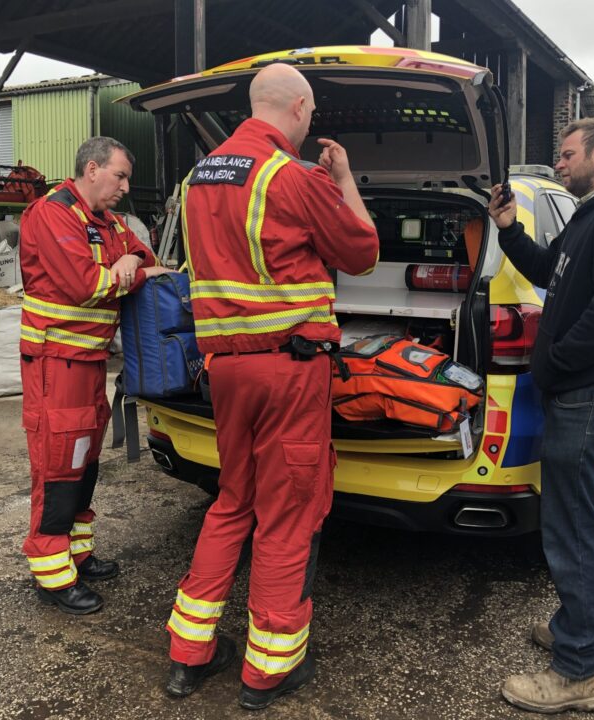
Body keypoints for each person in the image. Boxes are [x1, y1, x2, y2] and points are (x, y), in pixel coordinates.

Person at [164, 62, 379, 709]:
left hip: (226, 370)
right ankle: (268, 671)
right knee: (287, 515)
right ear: (300, 107)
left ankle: (188, 654)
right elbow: (362, 251)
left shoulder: (198, 178)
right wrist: (343, 179)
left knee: (234, 500)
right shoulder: (293, 176)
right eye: (310, 113)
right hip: (288, 372)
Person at [488, 118, 594, 714]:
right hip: (581, 389)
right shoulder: (590, 215)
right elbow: (545, 272)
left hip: (588, 390)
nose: (558, 165)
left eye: (565, 155)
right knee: (591, 516)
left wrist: (555, 364)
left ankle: (579, 672)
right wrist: (508, 229)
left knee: (571, 524)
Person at [19, 136, 167, 615]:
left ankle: (77, 553)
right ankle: (51, 574)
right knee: (57, 464)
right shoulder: (53, 213)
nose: (125, 186)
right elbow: (87, 286)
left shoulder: (107, 223)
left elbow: (147, 258)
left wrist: (131, 262)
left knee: (84, 461)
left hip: (87, 365)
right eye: (120, 175)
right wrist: (127, 269)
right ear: (91, 168)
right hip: (55, 364)